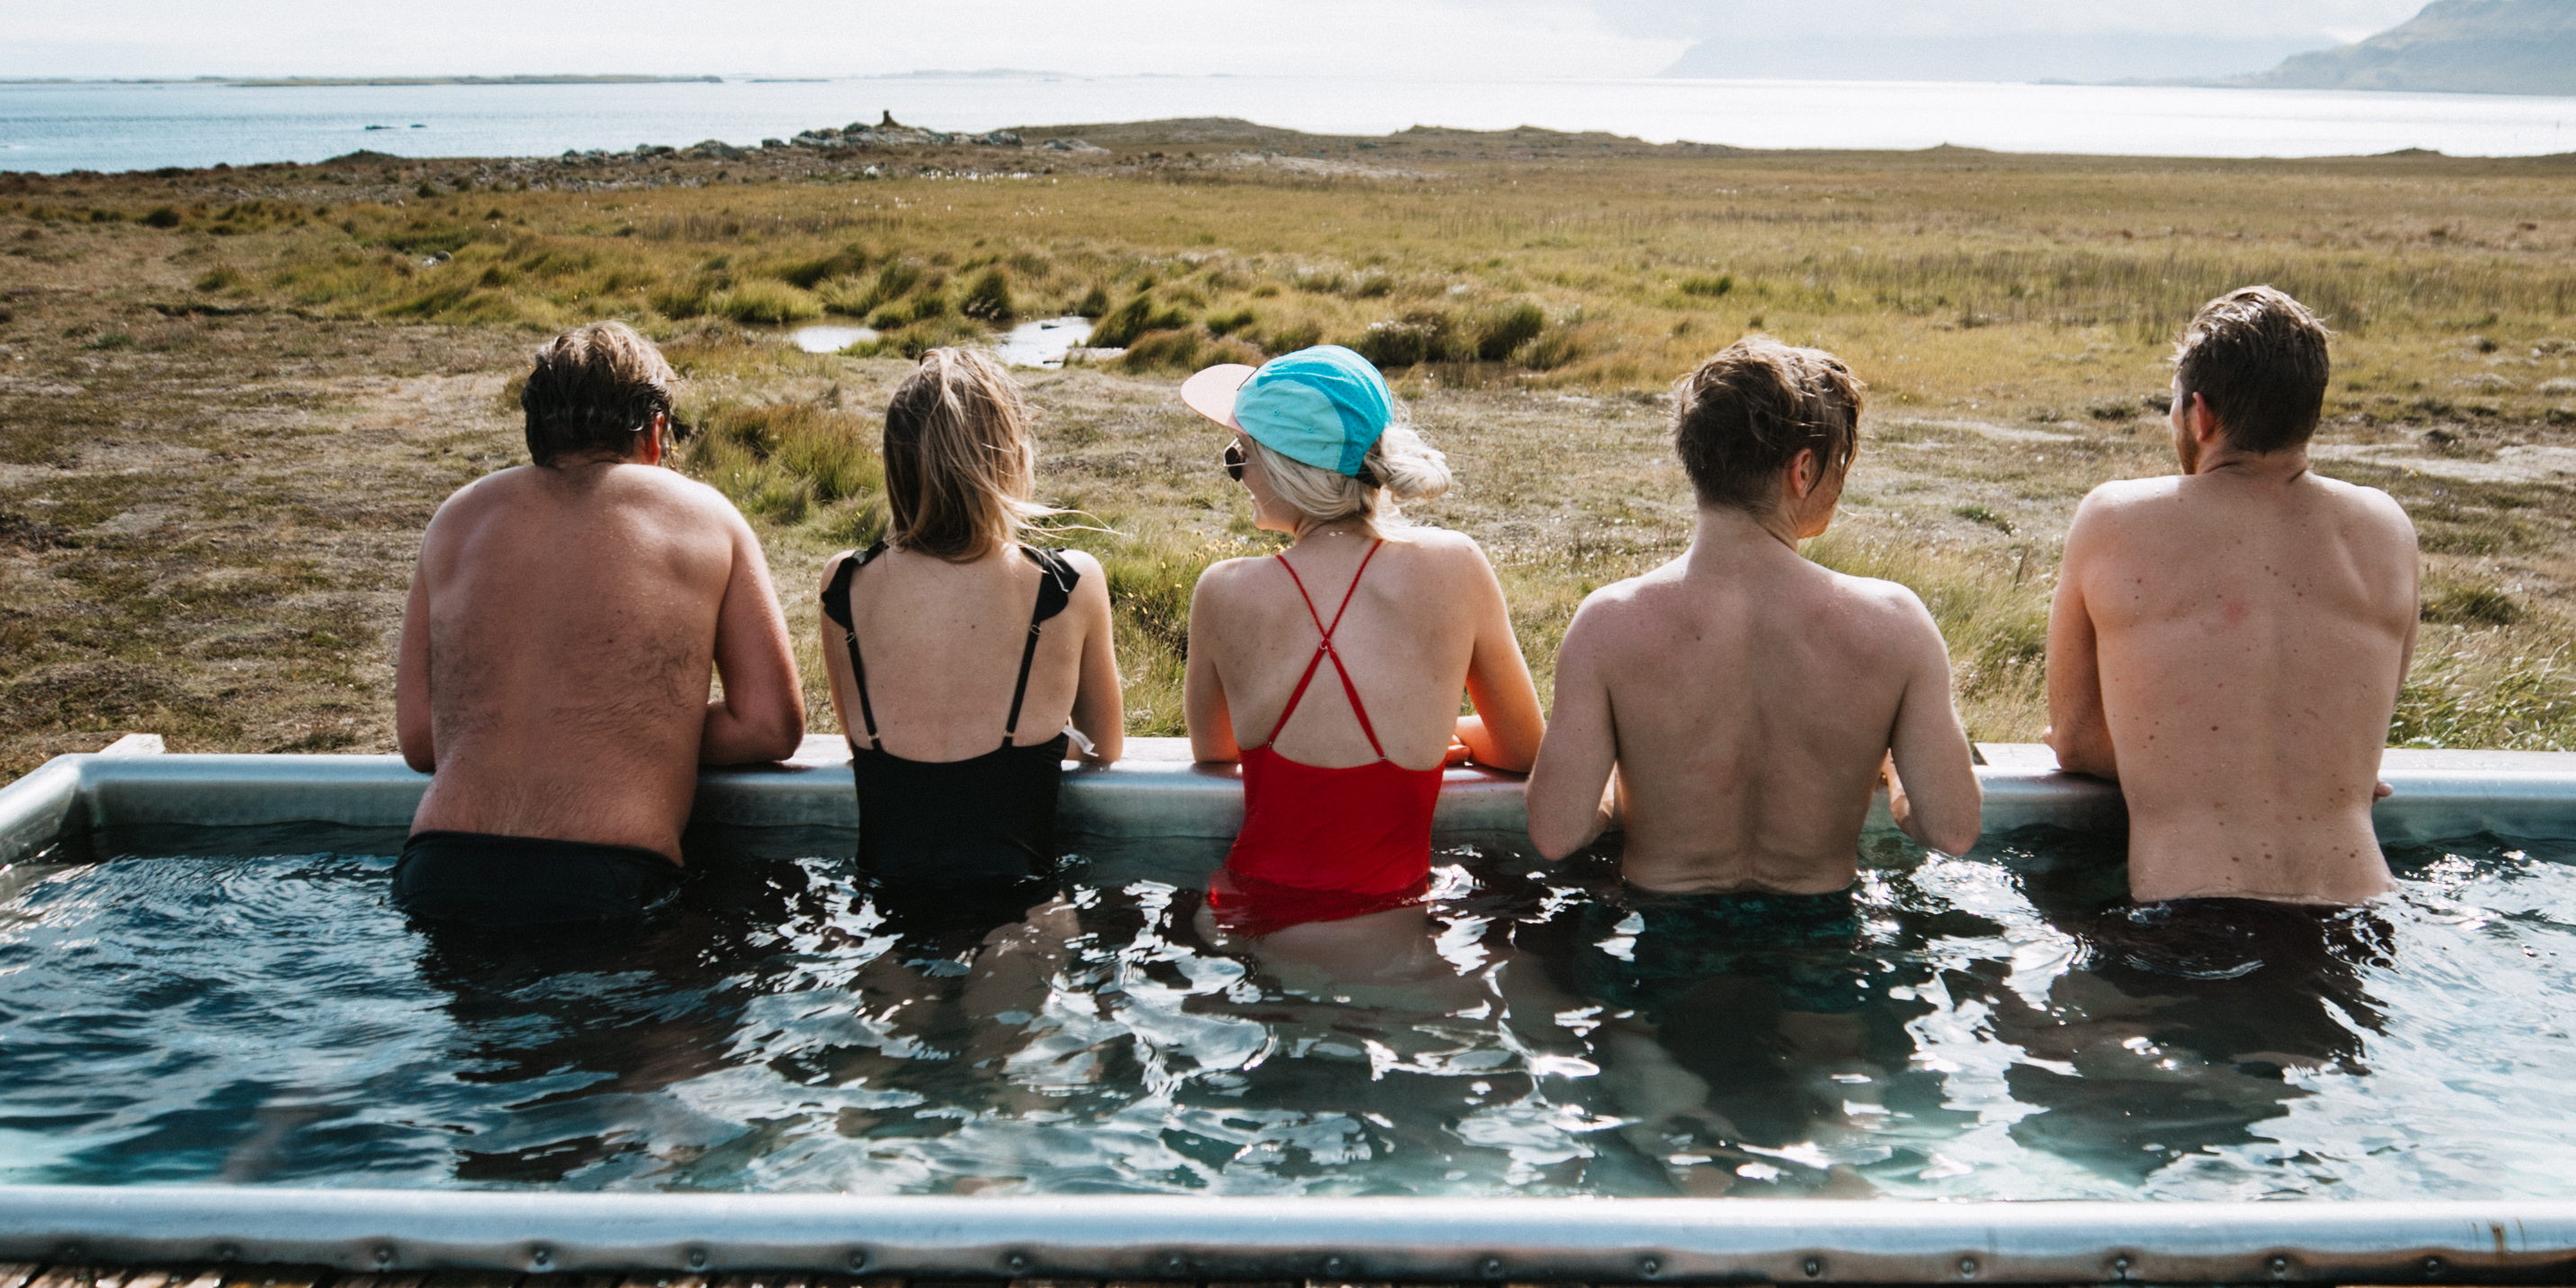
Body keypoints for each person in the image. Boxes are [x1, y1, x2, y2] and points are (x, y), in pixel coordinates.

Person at [1524, 334, 1985, 898]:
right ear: (1803, 470)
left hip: (1667, 944)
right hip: (1819, 948)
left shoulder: (1610, 623)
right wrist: (1892, 777)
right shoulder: (1894, 623)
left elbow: (1555, 832)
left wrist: (1629, 780)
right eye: (1838, 463)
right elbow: (1953, 830)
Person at [392, 319, 804, 931]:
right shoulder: (704, 515)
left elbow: (423, 741)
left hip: (439, 870)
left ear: (535, 428)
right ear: (656, 430)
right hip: (607, 879)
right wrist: (627, 726)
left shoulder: (457, 518)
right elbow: (770, 726)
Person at [2043, 282, 2419, 907]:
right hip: (2360, 915)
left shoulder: (2116, 518)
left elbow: (2077, 741)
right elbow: (2358, 755)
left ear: (2200, 414)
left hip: (2193, 916)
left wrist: (2201, 771)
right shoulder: (2387, 529)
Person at [1176, 346, 1545, 923]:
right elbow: (1526, 751)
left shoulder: (1222, 591)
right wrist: (1439, 730)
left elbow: (1215, 751)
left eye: (1239, 454)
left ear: (1283, 464)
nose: (1237, 473)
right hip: (1396, 913)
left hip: (1251, 914)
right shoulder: (1456, 567)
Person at [820, 344, 1125, 902]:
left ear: (896, 464)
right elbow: (1105, 745)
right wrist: (1035, 743)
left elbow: (858, 736)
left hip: (884, 898)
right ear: (1010, 458)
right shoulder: (1068, 583)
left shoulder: (844, 583)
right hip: (1023, 903)